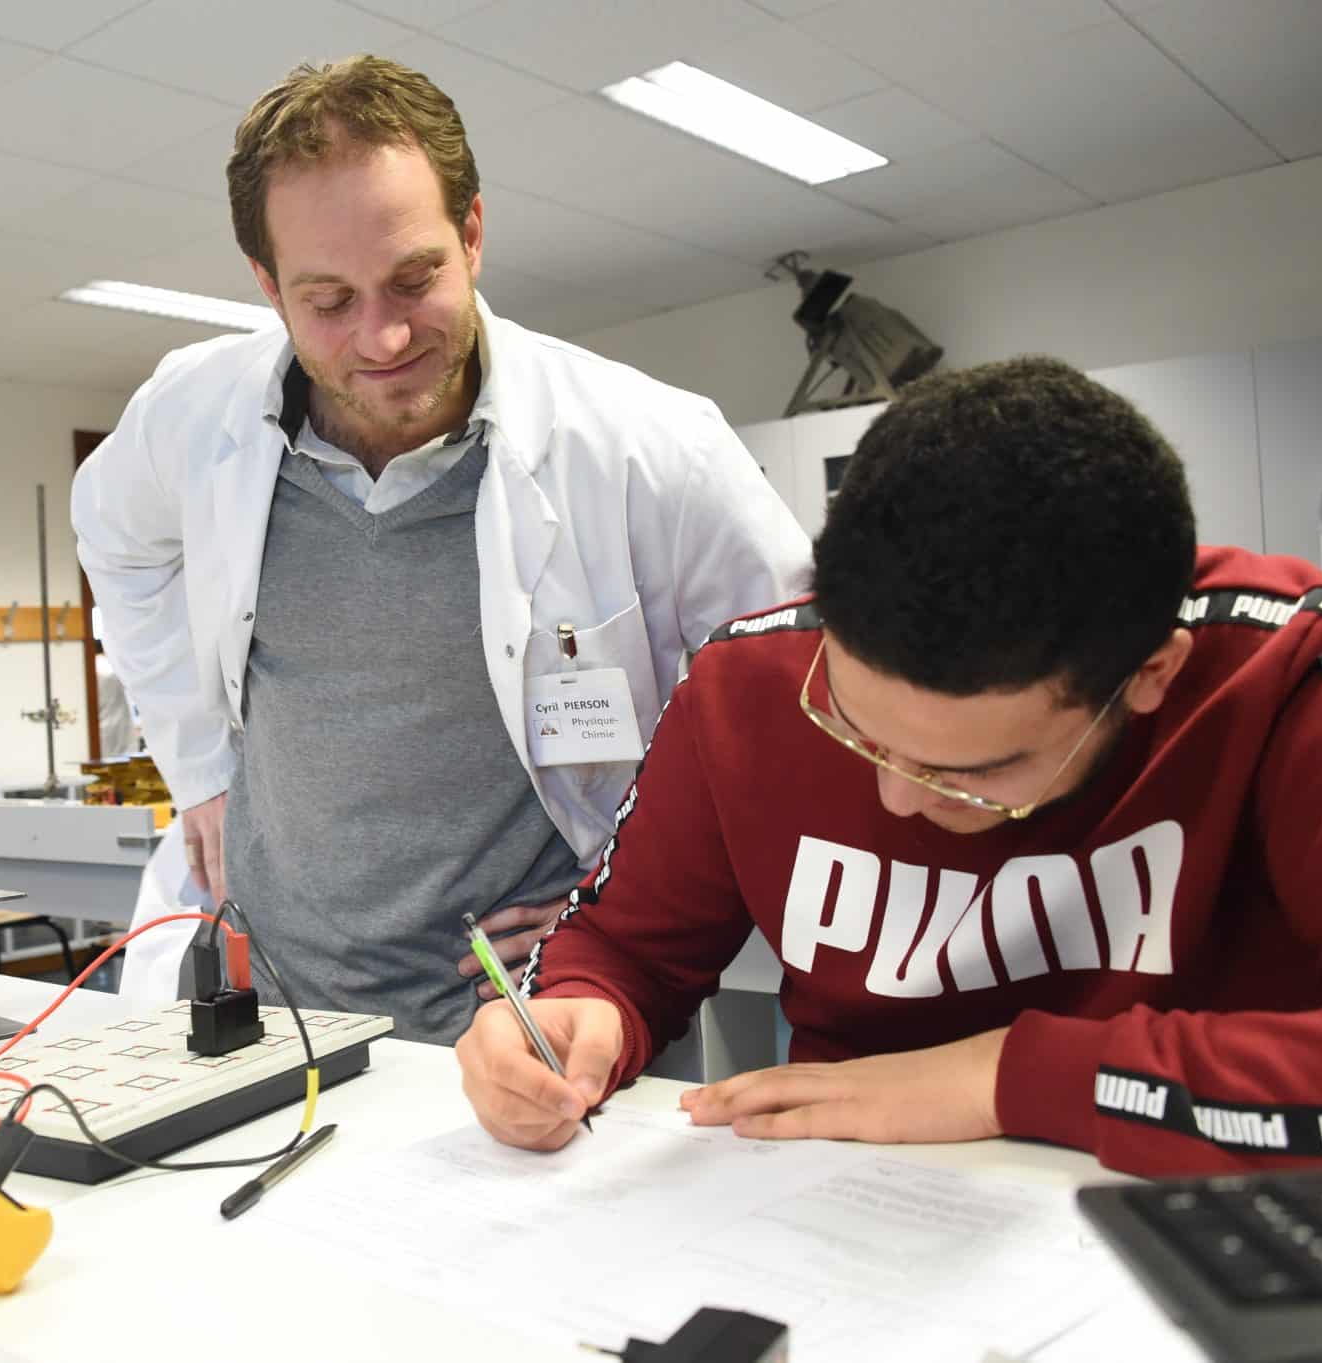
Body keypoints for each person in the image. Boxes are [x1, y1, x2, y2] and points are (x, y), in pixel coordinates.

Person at [455, 355, 1322, 1177]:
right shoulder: (748, 680)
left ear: (1146, 679)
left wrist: (1008, 1076)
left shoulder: (1287, 677)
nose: (896, 797)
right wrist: (579, 1017)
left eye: (968, 771)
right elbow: (625, 948)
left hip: (1179, 1208)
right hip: (838, 1211)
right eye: (854, 724)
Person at [73, 55, 810, 1043]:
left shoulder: (645, 446)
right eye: (327, 300)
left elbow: (794, 693)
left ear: (470, 234)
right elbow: (113, 537)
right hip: (276, 1017)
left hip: (529, 1026)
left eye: (412, 278)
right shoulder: (193, 413)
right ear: (266, 283)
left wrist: (639, 909)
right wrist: (198, 766)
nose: (379, 338)